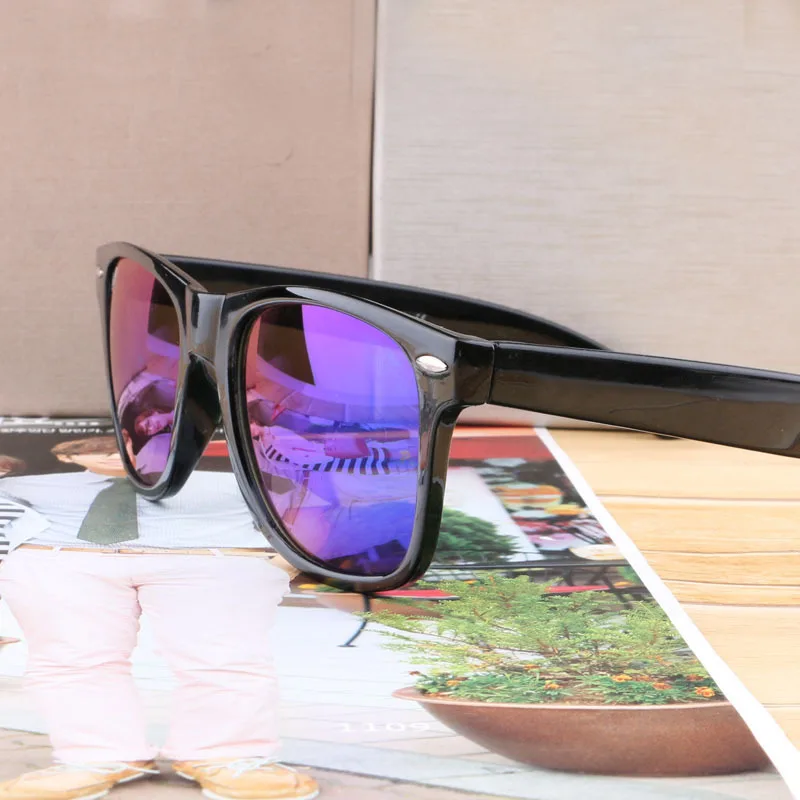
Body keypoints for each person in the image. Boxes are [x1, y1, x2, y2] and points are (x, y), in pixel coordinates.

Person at [0, 436, 318, 800]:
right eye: (100, 449)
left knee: (223, 657)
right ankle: (95, 755)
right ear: (68, 457)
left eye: (123, 446)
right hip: (53, 552)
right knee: (70, 660)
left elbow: (317, 490)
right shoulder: (32, 476)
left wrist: (294, 557)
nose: (117, 454)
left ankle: (226, 754)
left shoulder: (228, 463)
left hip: (219, 550)